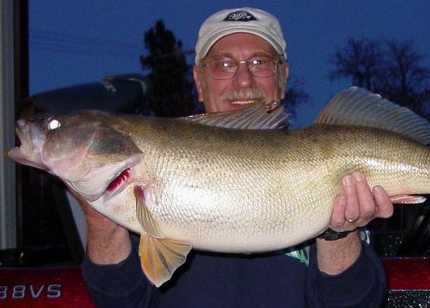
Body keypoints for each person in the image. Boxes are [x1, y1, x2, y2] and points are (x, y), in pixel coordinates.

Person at [80, 7, 393, 307]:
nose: (244, 81)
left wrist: (338, 232)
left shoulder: (330, 160)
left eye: (260, 62)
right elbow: (119, 301)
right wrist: (100, 219)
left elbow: (357, 302)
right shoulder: (150, 170)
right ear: (199, 80)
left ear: (283, 76)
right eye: (223, 64)